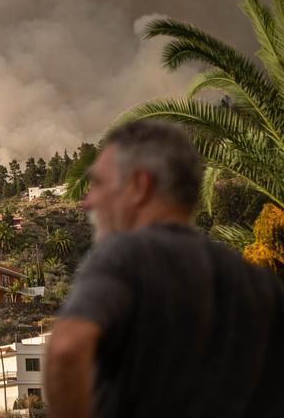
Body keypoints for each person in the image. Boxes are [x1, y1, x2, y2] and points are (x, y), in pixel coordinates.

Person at [45, 120, 284, 418]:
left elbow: (67, 348)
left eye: (99, 183)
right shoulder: (261, 284)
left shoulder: (125, 255)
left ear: (139, 186)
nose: (87, 201)